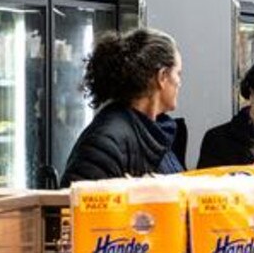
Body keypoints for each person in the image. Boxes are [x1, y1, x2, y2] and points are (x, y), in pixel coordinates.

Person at [61, 28, 184, 185]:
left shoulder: (155, 133)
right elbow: (77, 203)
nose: (179, 82)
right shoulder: (105, 141)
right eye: (178, 74)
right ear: (162, 77)